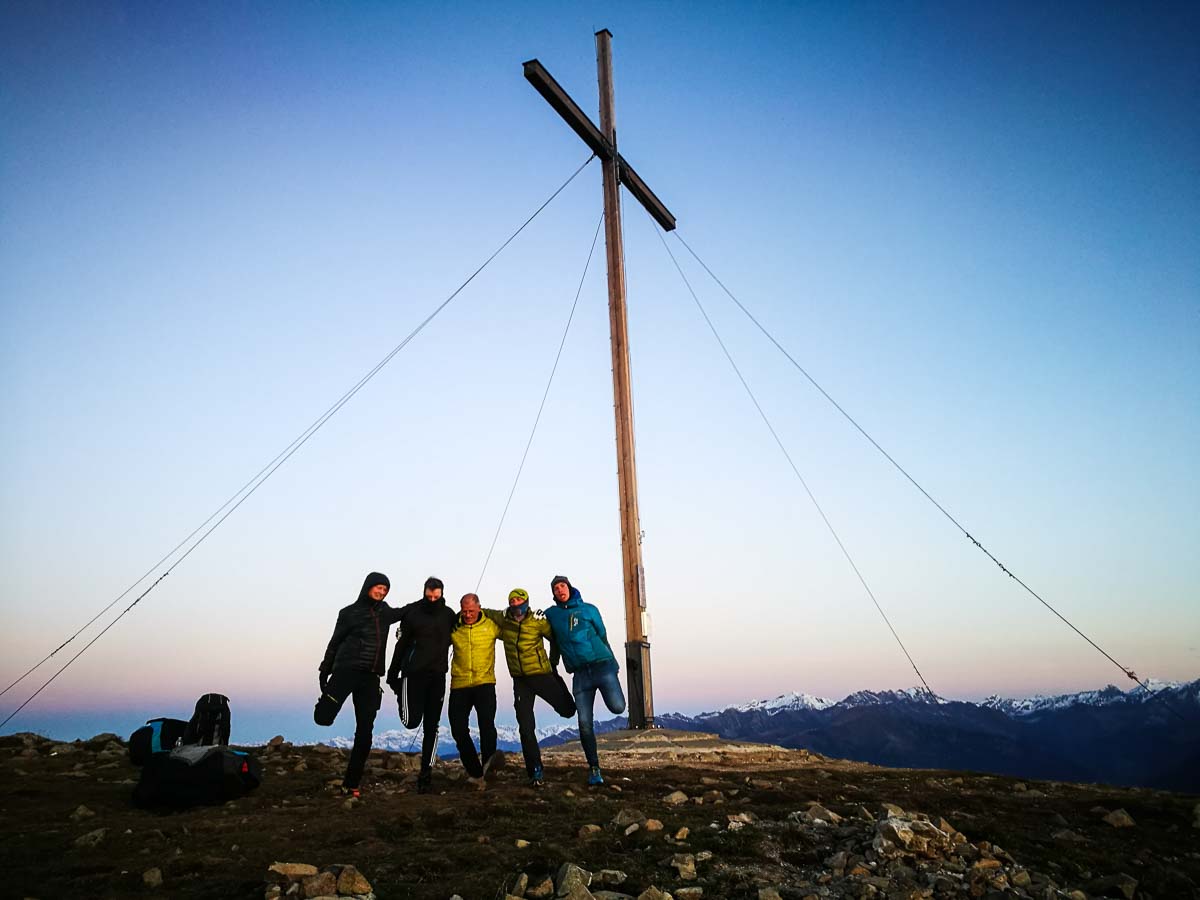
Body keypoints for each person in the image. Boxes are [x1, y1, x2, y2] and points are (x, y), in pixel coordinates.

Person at [314, 571, 401, 797]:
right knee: (323, 718)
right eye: (378, 587)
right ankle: (324, 702)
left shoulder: (385, 613)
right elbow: (335, 642)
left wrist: (430, 599)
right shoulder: (348, 613)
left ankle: (351, 784)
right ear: (368, 586)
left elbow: (407, 611)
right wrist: (325, 670)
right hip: (346, 671)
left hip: (371, 677)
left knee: (365, 731)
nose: (381, 592)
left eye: (385, 589)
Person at [542, 575, 626, 786]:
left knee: (618, 707)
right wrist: (552, 664)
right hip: (580, 675)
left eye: (562, 586)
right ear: (553, 594)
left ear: (569, 587)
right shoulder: (551, 614)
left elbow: (603, 635)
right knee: (584, 723)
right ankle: (594, 768)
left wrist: (613, 663)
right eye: (555, 588)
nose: (560, 590)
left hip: (602, 665)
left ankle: (613, 685)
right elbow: (554, 642)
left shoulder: (589, 609)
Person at [489, 587, 576, 787]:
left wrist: (553, 663)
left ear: (526, 603)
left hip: (542, 675)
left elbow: (555, 639)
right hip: (520, 680)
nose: (516, 605)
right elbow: (485, 612)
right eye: (512, 602)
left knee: (568, 711)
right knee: (525, 727)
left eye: (519, 602)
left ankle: (559, 683)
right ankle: (535, 770)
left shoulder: (537, 621)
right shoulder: (504, 620)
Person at [387, 576, 456, 794]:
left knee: (432, 726)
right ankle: (402, 692)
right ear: (424, 592)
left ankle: (426, 773)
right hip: (413, 674)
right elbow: (401, 644)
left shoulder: (449, 615)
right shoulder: (413, 613)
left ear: (442, 593)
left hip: (438, 676)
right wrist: (393, 674)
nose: (432, 599)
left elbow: (462, 634)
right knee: (410, 721)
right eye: (429, 595)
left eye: (436, 596)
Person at [447, 592, 503, 789]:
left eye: (471, 610)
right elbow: (434, 638)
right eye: (464, 611)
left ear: (479, 607)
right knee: (458, 728)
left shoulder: (491, 626)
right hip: (459, 684)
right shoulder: (454, 627)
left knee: (487, 726)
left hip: (484, 683)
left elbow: (514, 634)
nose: (468, 615)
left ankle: (488, 770)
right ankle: (474, 771)